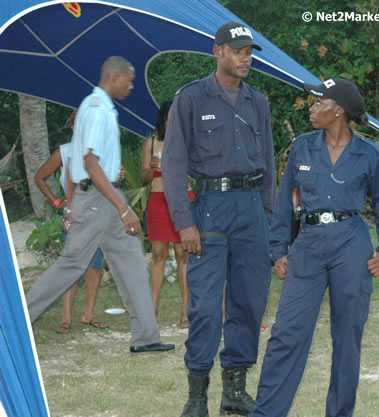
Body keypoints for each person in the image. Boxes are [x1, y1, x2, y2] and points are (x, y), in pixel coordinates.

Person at [251, 78, 379, 417]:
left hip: (351, 243)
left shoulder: (368, 153)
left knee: (347, 339)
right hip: (309, 245)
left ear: (339, 111)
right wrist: (279, 250)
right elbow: (283, 203)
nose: (311, 108)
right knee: (286, 334)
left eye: (318, 103)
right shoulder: (302, 147)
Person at [161, 21, 275, 417]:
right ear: (218, 52)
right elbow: (173, 164)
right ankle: (197, 397)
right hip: (209, 210)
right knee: (206, 306)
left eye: (249, 51)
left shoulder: (258, 102)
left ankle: (235, 391)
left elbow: (270, 166)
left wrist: (268, 218)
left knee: (248, 303)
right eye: (238, 49)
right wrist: (183, 221)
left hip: (251, 210)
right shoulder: (191, 99)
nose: (246, 57)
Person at [26, 56, 174, 354]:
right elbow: (90, 163)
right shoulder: (94, 110)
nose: (132, 86)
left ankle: (146, 337)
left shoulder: (104, 108)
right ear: (114, 77)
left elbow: (99, 162)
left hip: (105, 198)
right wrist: (123, 206)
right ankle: (16, 320)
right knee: (73, 265)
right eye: (129, 80)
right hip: (96, 201)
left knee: (132, 262)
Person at [33, 110, 108, 334]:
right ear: (73, 127)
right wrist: (57, 202)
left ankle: (89, 315)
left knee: (95, 267)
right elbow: (39, 177)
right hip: (73, 216)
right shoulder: (64, 152)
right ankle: (66, 319)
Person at [141, 100, 193, 328]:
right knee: (158, 255)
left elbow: (198, 173)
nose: (173, 120)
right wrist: (152, 167)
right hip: (158, 200)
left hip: (182, 200)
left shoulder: (189, 141)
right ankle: (152, 311)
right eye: (169, 116)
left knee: (183, 254)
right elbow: (144, 178)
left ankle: (186, 311)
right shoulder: (151, 143)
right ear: (162, 119)